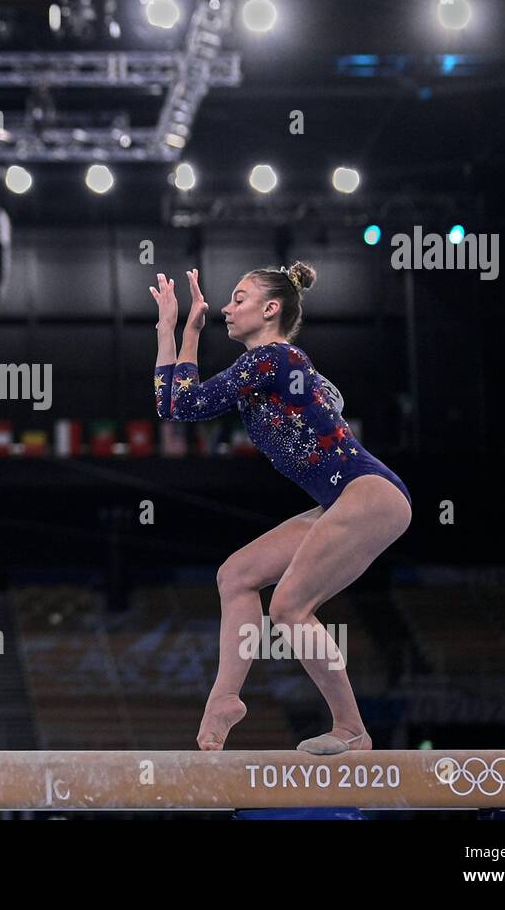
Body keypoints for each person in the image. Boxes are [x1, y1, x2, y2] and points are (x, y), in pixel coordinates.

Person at [150, 262, 411, 754]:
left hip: (369, 492)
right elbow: (172, 406)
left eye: (239, 297)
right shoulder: (275, 369)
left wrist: (184, 332)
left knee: (290, 605)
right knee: (237, 575)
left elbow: (182, 404)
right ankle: (226, 696)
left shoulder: (270, 359)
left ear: (271, 309)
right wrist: (176, 330)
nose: (227, 307)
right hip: (344, 498)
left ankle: (352, 728)